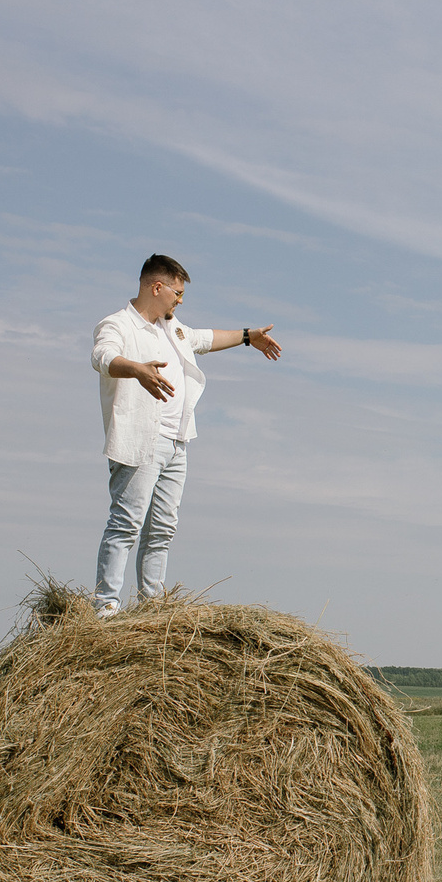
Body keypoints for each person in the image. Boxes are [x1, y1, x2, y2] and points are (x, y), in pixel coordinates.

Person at [90, 255, 282, 618]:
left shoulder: (173, 328)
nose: (180, 301)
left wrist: (247, 337)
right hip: (141, 441)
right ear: (156, 287)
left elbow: (205, 338)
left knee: (162, 529)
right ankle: (106, 606)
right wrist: (136, 370)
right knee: (126, 524)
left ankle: (152, 605)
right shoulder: (118, 324)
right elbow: (102, 356)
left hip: (177, 444)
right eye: (177, 293)